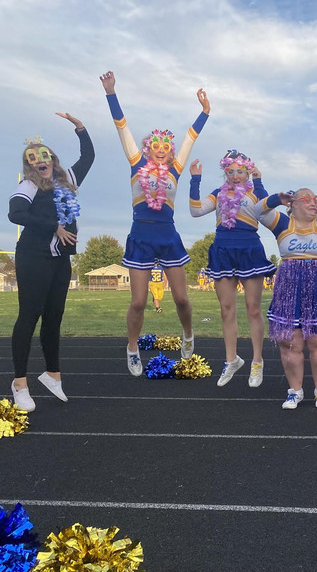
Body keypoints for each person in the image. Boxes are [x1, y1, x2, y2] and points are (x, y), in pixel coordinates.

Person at [100, 70, 209, 376]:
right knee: (138, 302)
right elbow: (122, 128)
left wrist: (204, 113)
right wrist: (111, 93)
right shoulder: (136, 163)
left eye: (166, 148)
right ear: (148, 149)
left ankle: (188, 334)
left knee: (182, 298)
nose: (161, 151)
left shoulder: (175, 170)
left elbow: (190, 138)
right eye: (156, 147)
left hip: (168, 235)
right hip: (141, 235)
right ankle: (132, 348)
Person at [8, 112, 94, 411]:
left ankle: (52, 374)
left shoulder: (67, 178)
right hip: (33, 256)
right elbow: (15, 214)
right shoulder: (29, 186)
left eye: (44, 156)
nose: (39, 161)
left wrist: (80, 128)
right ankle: (19, 383)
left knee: (54, 317)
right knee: (29, 316)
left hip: (60, 259)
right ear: (29, 165)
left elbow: (88, 156)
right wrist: (53, 227)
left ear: (52, 158)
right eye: (33, 159)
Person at [189, 151, 274, 388]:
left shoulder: (255, 191)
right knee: (227, 309)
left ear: (248, 172)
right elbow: (195, 210)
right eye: (230, 171)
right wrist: (195, 179)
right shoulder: (218, 194)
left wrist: (259, 182)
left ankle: (257, 361)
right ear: (225, 172)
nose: (235, 176)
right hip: (223, 251)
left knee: (253, 308)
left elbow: (267, 210)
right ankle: (231, 360)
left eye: (240, 171)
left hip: (249, 250)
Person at [259, 188, 317, 409]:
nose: (312, 202)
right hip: (289, 287)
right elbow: (256, 211)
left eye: (315, 198)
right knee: (289, 342)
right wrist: (277, 199)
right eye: (306, 198)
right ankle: (294, 391)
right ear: (293, 204)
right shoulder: (282, 224)